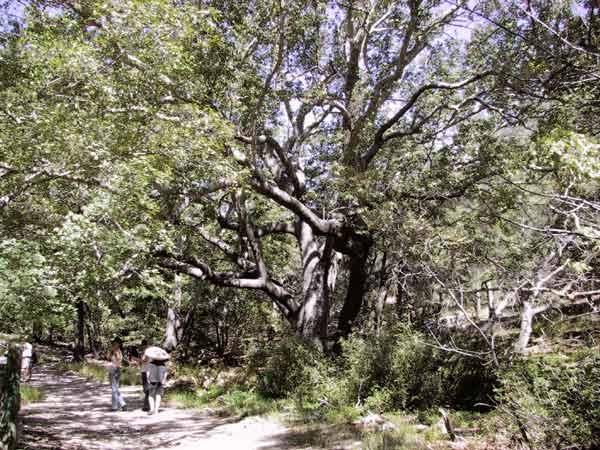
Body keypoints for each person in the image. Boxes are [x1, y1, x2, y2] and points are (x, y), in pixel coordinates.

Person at [108, 339, 127, 412]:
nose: (114, 345)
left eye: (115, 344)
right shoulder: (112, 351)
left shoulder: (118, 351)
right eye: (113, 344)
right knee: (115, 389)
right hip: (111, 370)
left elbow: (119, 360)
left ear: (118, 345)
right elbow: (108, 357)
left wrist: (115, 352)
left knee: (114, 389)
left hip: (116, 370)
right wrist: (111, 351)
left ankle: (115, 407)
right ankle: (123, 404)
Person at [140, 339, 151, 412]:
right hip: (148, 370)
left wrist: (136, 359)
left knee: (146, 388)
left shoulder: (147, 351)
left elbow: (144, 360)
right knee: (146, 388)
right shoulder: (150, 351)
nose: (143, 347)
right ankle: (148, 404)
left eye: (143, 345)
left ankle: (147, 405)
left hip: (146, 371)